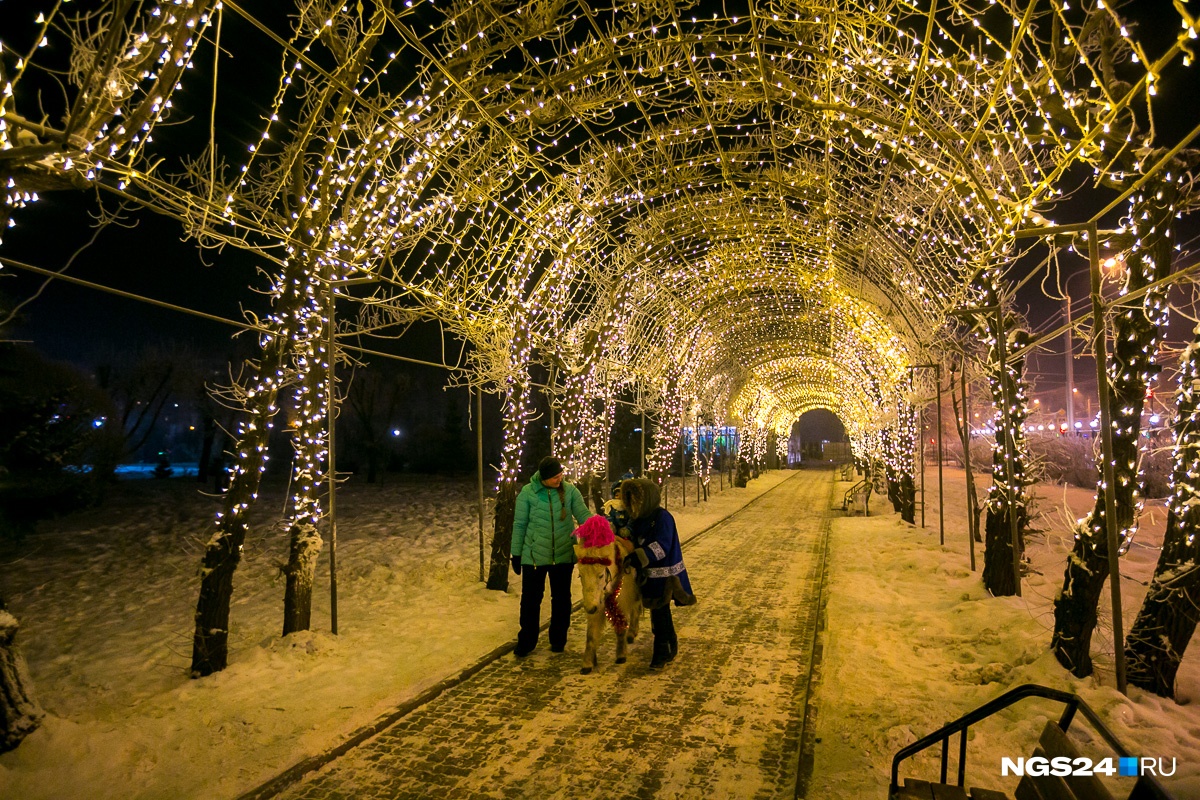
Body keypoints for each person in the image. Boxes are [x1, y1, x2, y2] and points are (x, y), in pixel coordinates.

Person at [511, 456, 592, 657]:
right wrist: (516, 553)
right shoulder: (527, 493)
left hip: (563, 555)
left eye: (560, 475)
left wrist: (602, 529)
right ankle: (527, 641)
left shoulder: (570, 491)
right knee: (531, 600)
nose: (559, 479)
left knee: (562, 599)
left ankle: (558, 639)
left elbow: (584, 516)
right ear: (543, 478)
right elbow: (519, 524)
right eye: (555, 477)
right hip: (534, 556)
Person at [619, 478, 696, 669]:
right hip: (649, 575)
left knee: (660, 611)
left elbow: (662, 545)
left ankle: (662, 650)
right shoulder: (639, 518)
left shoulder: (662, 518)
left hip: (666, 575)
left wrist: (640, 556)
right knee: (659, 611)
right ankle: (669, 644)